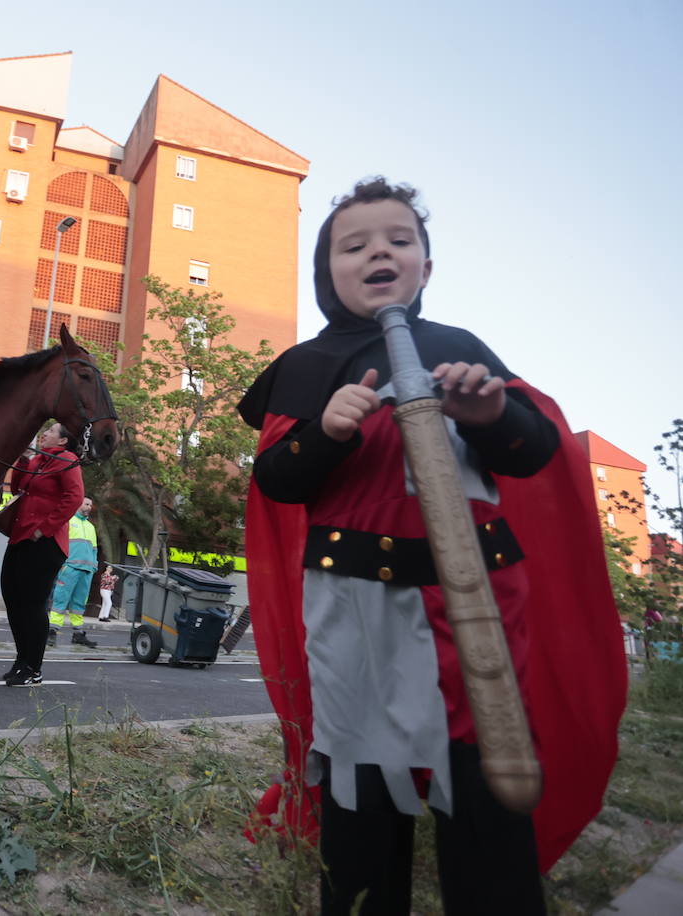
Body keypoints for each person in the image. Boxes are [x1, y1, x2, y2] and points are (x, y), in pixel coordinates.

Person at [236, 177, 625, 914]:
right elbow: (278, 482)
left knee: (484, 787)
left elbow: (531, 453)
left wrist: (488, 412)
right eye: (354, 245)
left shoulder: (461, 352)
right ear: (329, 272)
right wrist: (328, 431)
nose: (379, 251)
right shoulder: (307, 368)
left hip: (475, 609)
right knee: (362, 790)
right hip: (356, 611)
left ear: (426, 266)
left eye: (398, 240)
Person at [0, 423, 84, 686]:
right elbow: (17, 491)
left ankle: (33, 667)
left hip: (46, 542)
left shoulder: (68, 460)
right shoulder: (37, 459)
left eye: (50, 431)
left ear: (62, 442)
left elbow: (74, 497)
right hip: (20, 537)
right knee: (13, 599)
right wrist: (23, 459)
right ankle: (21, 659)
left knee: (33, 604)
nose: (44, 433)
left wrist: (45, 529)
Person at [48, 497, 99, 647]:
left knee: (79, 604)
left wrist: (94, 567)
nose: (89, 507)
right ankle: (52, 632)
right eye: (86, 504)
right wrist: (62, 564)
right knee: (60, 600)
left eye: (91, 505)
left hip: (87, 570)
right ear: (78, 504)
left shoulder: (91, 527)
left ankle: (78, 634)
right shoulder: (68, 522)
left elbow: (94, 550)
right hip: (69, 567)